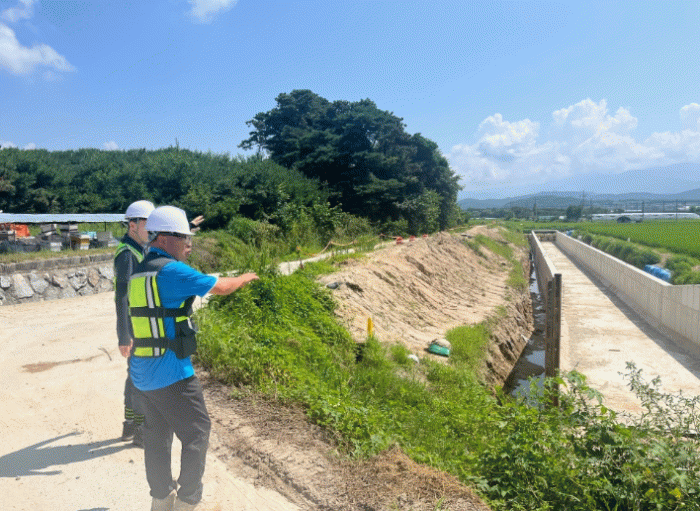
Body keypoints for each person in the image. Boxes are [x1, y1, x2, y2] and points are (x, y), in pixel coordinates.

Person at [127, 205, 258, 511]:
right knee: (197, 432)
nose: (189, 243)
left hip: (142, 374)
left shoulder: (139, 272)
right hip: (172, 373)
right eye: (184, 237)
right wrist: (245, 277)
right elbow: (222, 287)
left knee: (157, 438)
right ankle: (188, 501)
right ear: (164, 238)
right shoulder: (172, 270)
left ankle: (161, 499)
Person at [115, 199, 155, 447]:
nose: (152, 229)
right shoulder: (127, 254)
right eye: (148, 224)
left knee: (134, 376)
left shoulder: (138, 248)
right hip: (134, 327)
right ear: (133, 225)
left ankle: (130, 425)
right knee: (140, 377)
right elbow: (122, 296)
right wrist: (124, 334)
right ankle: (140, 429)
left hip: (140, 324)